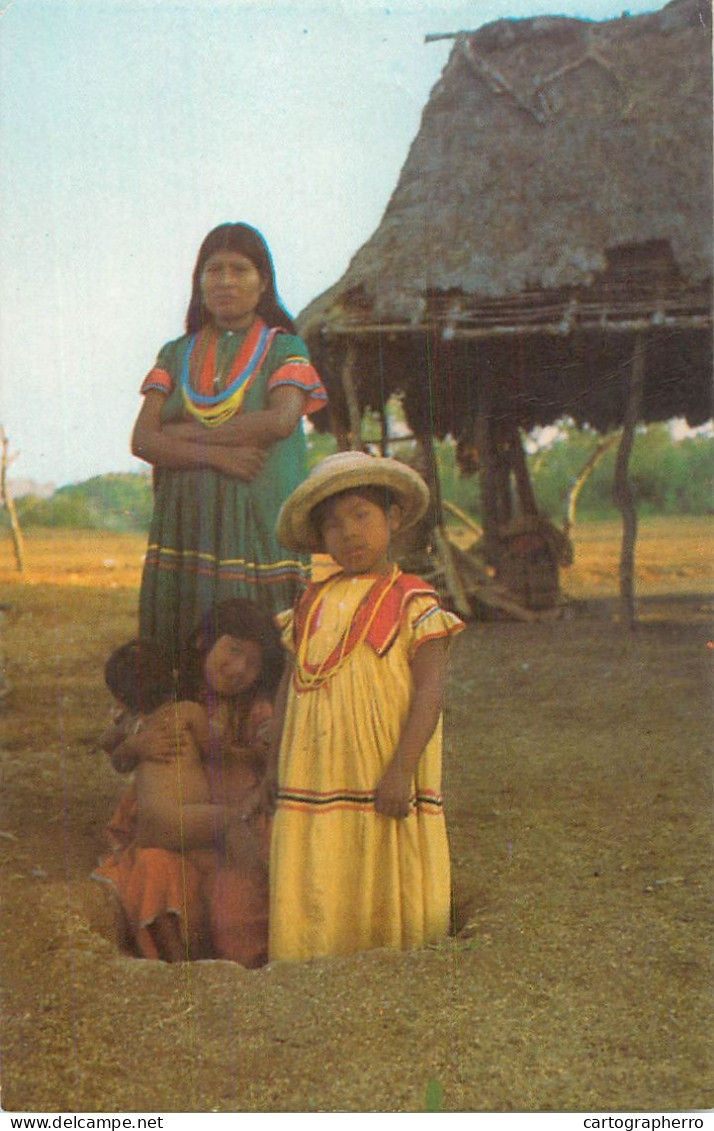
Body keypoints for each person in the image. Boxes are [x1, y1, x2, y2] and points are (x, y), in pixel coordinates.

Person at [262, 451, 465, 962]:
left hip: (381, 770)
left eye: (361, 516)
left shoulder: (415, 601)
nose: (349, 533)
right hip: (314, 770)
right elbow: (292, 682)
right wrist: (273, 764)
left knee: (380, 849)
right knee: (320, 857)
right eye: (332, 524)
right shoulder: (309, 601)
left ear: (393, 519)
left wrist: (401, 769)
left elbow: (429, 692)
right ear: (319, 539)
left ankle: (389, 959)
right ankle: (312, 955)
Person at [131, 222, 328, 661]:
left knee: (262, 640)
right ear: (199, 283)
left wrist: (180, 435)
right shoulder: (174, 353)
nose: (225, 281)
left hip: (260, 518)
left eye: (239, 270)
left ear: (263, 284)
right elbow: (144, 440)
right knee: (184, 639)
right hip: (186, 523)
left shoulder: (285, 349)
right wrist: (218, 455)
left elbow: (280, 420)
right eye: (213, 269)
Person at [93, 599, 284, 965]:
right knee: (156, 868)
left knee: (231, 884)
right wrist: (135, 744)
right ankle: (182, 963)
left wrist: (265, 745)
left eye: (254, 663)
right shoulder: (173, 696)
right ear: (203, 642)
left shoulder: (257, 708)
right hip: (192, 820)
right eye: (233, 650)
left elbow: (267, 757)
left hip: (233, 815)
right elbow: (114, 749)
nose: (239, 669)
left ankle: (229, 951)